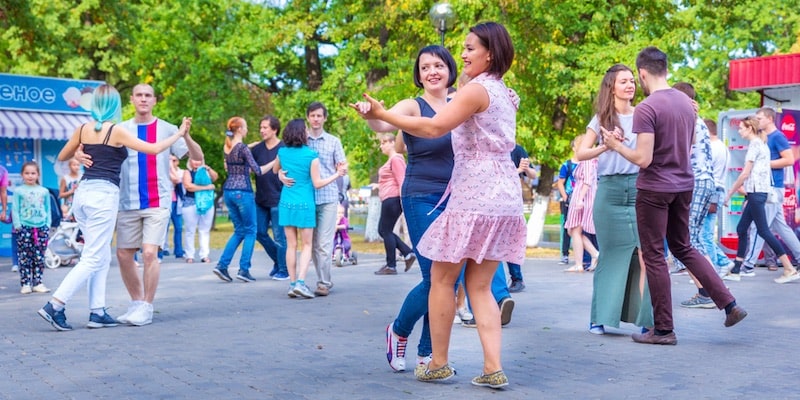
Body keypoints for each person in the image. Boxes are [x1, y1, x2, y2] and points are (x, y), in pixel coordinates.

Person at [354, 22, 524, 389]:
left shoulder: (475, 90)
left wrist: (383, 114)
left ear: (489, 53)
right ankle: (493, 368)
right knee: (478, 285)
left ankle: (437, 363)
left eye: (469, 48)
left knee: (442, 279)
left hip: (474, 192)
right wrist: (381, 120)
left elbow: (433, 128)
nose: (462, 54)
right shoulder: (505, 93)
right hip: (504, 195)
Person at [602, 46, 746, 345]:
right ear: (665, 69)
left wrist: (616, 147)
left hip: (654, 188)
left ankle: (664, 330)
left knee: (654, 256)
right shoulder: (685, 103)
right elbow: (687, 141)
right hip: (684, 186)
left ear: (642, 73)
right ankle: (729, 304)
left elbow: (643, 158)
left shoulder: (647, 107)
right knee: (685, 247)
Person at [38, 84, 187, 331]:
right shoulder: (116, 131)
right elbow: (153, 149)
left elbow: (63, 156)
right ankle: (55, 304)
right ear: (115, 106)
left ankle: (97, 312)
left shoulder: (83, 130)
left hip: (83, 195)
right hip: (102, 196)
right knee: (93, 256)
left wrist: (78, 155)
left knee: (101, 255)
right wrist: (178, 133)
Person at [78, 83, 204, 327]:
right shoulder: (120, 129)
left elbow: (198, 158)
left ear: (154, 100)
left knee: (149, 252)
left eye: (148, 95)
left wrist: (185, 134)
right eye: (139, 95)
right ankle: (136, 303)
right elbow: (89, 148)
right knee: (124, 254)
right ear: (132, 100)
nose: (144, 99)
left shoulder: (167, 128)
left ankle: (147, 305)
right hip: (127, 201)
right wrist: (77, 155)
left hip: (158, 201)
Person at [574, 63, 653, 334]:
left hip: (641, 189)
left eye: (632, 81)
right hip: (609, 191)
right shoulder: (601, 119)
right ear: (612, 86)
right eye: (623, 81)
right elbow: (581, 153)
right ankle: (600, 317)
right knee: (610, 255)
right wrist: (604, 147)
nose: (630, 85)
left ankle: (646, 320)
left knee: (645, 256)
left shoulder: (644, 114)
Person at [274, 119, 347, 298]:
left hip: (286, 203)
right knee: (307, 245)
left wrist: (281, 175)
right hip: (305, 204)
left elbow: (276, 169)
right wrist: (336, 175)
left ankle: (292, 284)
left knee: (291, 245)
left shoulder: (282, 152)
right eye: (305, 129)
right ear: (301, 133)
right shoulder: (311, 155)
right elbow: (317, 183)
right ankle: (300, 282)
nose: (307, 131)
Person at [723, 117, 799, 283]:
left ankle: (789, 268)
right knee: (742, 228)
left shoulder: (755, 145)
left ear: (750, 128)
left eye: (742, 128)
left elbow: (745, 173)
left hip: (757, 193)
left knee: (763, 230)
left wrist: (729, 192)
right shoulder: (761, 144)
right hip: (756, 193)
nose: (740, 131)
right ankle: (737, 269)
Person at [212, 117, 273, 283]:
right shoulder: (243, 148)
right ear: (239, 129)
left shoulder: (228, 147)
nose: (247, 129)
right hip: (243, 192)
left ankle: (222, 265)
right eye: (245, 127)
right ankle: (244, 269)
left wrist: (252, 145)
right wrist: (276, 161)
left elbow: (239, 152)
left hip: (228, 192)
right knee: (251, 230)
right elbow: (258, 171)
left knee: (239, 230)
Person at [305, 102, 348, 296]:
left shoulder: (333, 141)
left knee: (324, 243)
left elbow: (342, 165)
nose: (316, 119)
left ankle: (324, 282)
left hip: (328, 196)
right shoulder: (302, 140)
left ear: (324, 118)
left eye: (319, 116)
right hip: (307, 197)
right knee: (312, 244)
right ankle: (320, 278)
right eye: (312, 115)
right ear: (308, 117)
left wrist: (342, 169)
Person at [251, 115, 288, 281]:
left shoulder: (284, 148)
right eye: (261, 127)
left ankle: (284, 269)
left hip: (279, 198)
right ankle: (279, 261)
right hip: (260, 199)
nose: (261, 130)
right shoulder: (257, 149)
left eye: (265, 127)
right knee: (259, 232)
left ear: (274, 129)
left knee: (280, 236)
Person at [373, 133, 416, 275]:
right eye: (381, 143)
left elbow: (401, 180)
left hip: (393, 199)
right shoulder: (391, 160)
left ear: (393, 143)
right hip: (388, 198)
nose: (381, 146)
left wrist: (404, 201)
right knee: (384, 230)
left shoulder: (396, 159)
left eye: (384, 142)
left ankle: (391, 265)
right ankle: (407, 253)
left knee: (385, 230)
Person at [12, 162, 51, 295]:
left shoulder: (44, 191)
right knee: (24, 257)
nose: (30, 176)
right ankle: (26, 283)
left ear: (38, 175)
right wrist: (18, 226)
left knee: (39, 257)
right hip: (24, 228)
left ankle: (38, 282)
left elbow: (47, 209)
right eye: (27, 173)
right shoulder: (18, 191)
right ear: (22, 175)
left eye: (33, 173)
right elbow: (15, 209)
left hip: (41, 228)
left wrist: (47, 225)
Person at [564, 134, 600, 273]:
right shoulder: (591, 160)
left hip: (582, 196)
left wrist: (580, 199)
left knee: (574, 229)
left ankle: (582, 262)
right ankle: (594, 254)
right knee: (574, 230)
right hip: (585, 195)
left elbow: (586, 181)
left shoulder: (586, 160)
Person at [507, 143, 536, 291]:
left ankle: (517, 278)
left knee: (511, 240)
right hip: (492, 198)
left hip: (511, 199)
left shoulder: (516, 149)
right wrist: (517, 170)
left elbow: (533, 174)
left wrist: (525, 168)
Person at [182, 158, 218, 264]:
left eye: (199, 160)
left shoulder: (206, 171)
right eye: (194, 160)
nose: (196, 163)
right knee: (190, 230)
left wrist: (209, 169)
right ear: (190, 161)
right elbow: (188, 186)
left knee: (205, 230)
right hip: (191, 202)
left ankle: (204, 254)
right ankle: (189, 255)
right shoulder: (187, 172)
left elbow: (215, 178)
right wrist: (207, 187)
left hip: (207, 203)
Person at [556, 148, 578, 265]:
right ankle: (565, 254)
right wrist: (565, 197)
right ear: (574, 148)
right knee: (567, 227)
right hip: (569, 200)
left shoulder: (588, 164)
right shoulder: (567, 165)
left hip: (583, 200)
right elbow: (560, 182)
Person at [161, 155, 184, 259]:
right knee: (163, 227)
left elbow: (177, 179)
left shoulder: (180, 172)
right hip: (165, 201)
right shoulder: (162, 171)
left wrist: (170, 166)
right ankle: (162, 249)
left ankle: (178, 250)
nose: (172, 162)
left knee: (178, 227)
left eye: (174, 160)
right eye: (170, 160)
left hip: (176, 201)